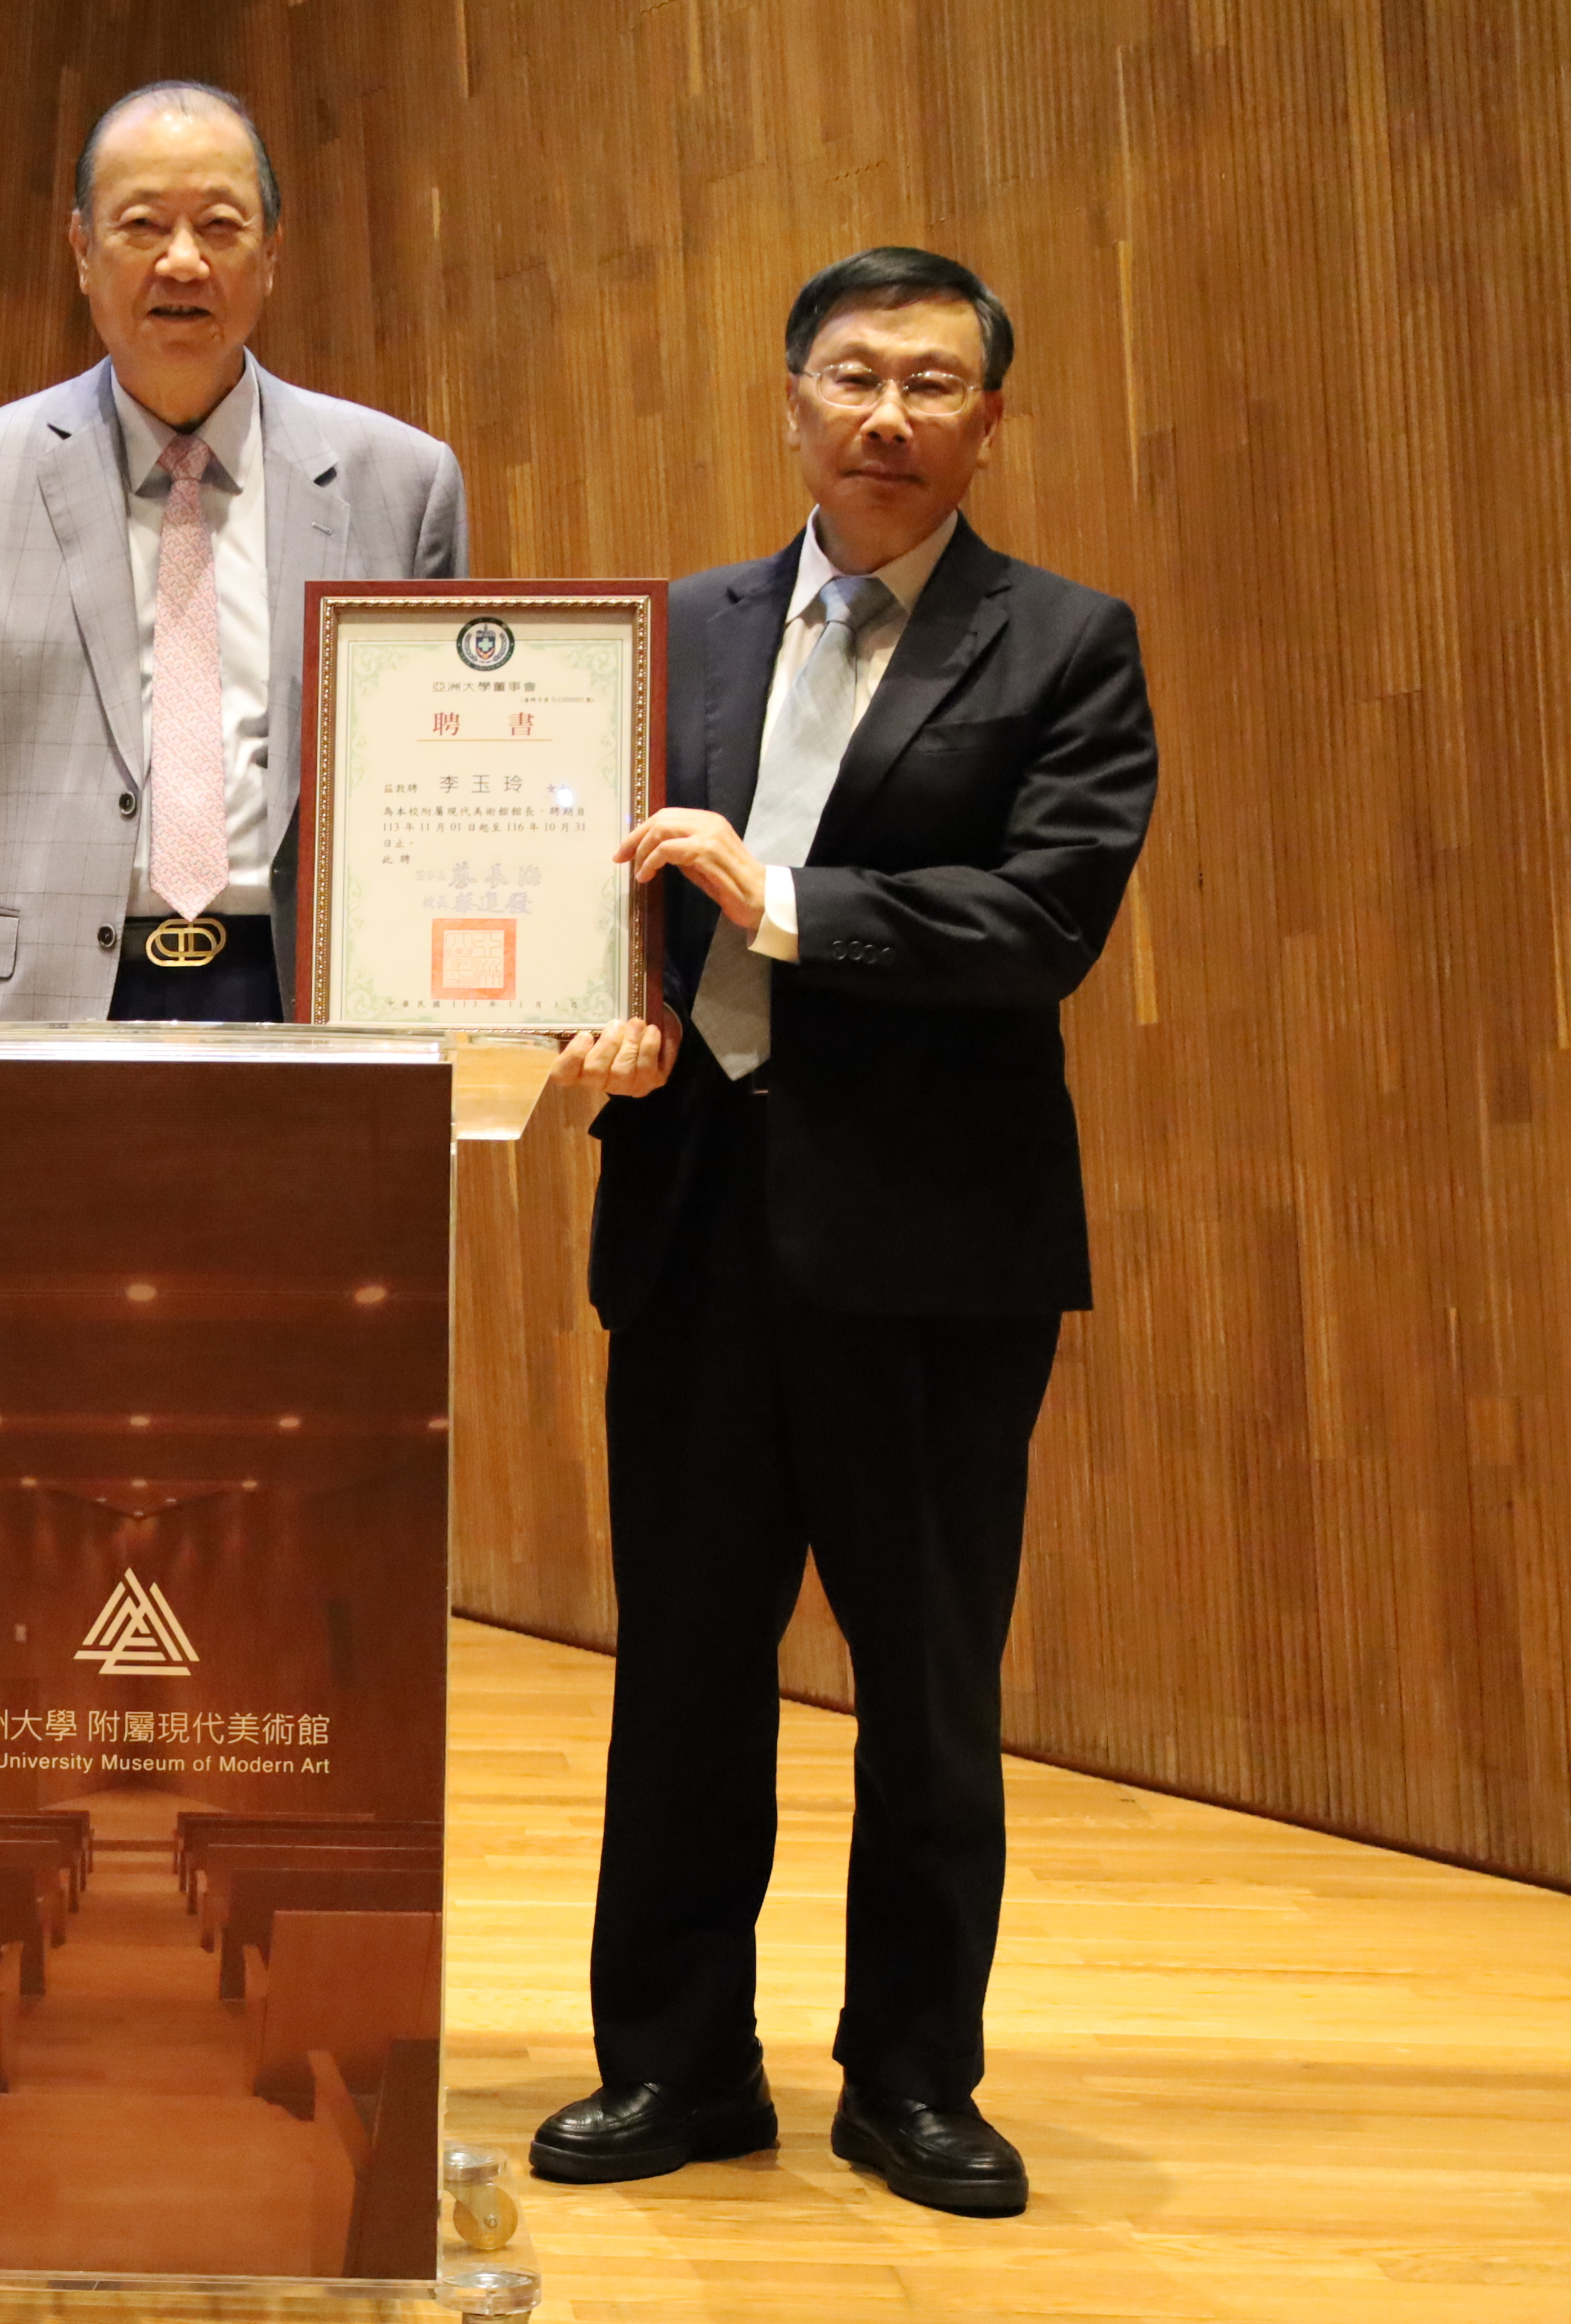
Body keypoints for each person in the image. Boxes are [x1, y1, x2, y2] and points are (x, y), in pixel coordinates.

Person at [530, 248, 1158, 2217]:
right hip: (698, 1221)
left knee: (930, 1683)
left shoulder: (1064, 644)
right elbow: (601, 877)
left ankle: (909, 2080)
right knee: (685, 1672)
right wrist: (607, 1008)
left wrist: (781, 899)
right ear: (789, 401)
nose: (887, 415)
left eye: (933, 383)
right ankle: (675, 2065)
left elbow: (1039, 920)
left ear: (988, 421)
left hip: (932, 1254)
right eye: (852, 376)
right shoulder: (678, 633)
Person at [0, 79, 466, 1025]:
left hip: (312, 1008)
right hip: (41, 1015)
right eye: (142, 225)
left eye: (220, 227)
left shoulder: (404, 482)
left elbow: (441, 804)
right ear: (83, 253)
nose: (183, 262)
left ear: (272, 254)